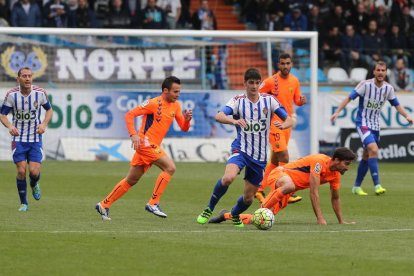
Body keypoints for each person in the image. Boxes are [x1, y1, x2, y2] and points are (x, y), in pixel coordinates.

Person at [196, 68, 294, 228]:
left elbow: (289, 119)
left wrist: (283, 125)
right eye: (251, 83)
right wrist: (234, 121)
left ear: (260, 83)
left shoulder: (269, 101)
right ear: (245, 84)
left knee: (249, 198)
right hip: (241, 149)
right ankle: (209, 209)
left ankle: (234, 214)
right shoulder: (237, 101)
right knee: (228, 178)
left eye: (257, 83)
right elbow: (219, 115)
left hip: (260, 156)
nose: (254, 86)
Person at [95, 76, 192, 220]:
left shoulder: (176, 105)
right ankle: (153, 203)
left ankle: (104, 204)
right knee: (170, 168)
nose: (178, 95)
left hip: (151, 146)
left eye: (179, 92)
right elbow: (129, 115)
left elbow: (183, 128)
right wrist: (133, 135)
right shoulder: (153, 103)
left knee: (131, 180)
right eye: (175, 92)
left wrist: (187, 120)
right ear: (165, 91)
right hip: (145, 143)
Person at [209, 147, 357, 225]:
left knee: (260, 220)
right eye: (346, 164)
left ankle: (226, 215)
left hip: (285, 189)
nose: (347, 167)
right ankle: (262, 209)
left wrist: (341, 221)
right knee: (290, 186)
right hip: (280, 174)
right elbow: (314, 191)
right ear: (336, 160)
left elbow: (335, 198)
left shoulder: (335, 175)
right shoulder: (319, 162)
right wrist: (320, 218)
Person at [331, 61, 413, 196]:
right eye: (378, 70)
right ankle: (377, 185)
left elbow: (397, 105)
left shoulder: (388, 89)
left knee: (366, 155)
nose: (380, 73)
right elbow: (349, 98)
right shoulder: (365, 85)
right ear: (374, 72)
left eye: (383, 70)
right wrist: (338, 111)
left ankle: (356, 187)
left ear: (386, 73)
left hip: (375, 125)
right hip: (362, 123)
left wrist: (407, 116)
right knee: (374, 149)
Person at [255, 53, 307, 204]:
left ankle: (259, 190)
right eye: (283, 63)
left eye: (288, 63)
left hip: (286, 124)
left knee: (275, 161)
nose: (285, 66)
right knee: (284, 157)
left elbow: (296, 100)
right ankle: (284, 190)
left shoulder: (295, 81)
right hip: (273, 125)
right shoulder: (271, 81)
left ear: (291, 64)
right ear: (278, 65)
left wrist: (301, 101)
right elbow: (257, 97)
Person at [0, 67, 53, 212]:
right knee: (22, 170)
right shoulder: (12, 95)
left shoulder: (40, 93)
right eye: (24, 76)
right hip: (19, 139)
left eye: (30, 76)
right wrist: (10, 126)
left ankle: (34, 183)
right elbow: (2, 115)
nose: (27, 78)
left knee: (34, 173)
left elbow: (49, 110)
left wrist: (43, 124)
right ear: (18, 79)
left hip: (35, 138)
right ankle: (24, 203)